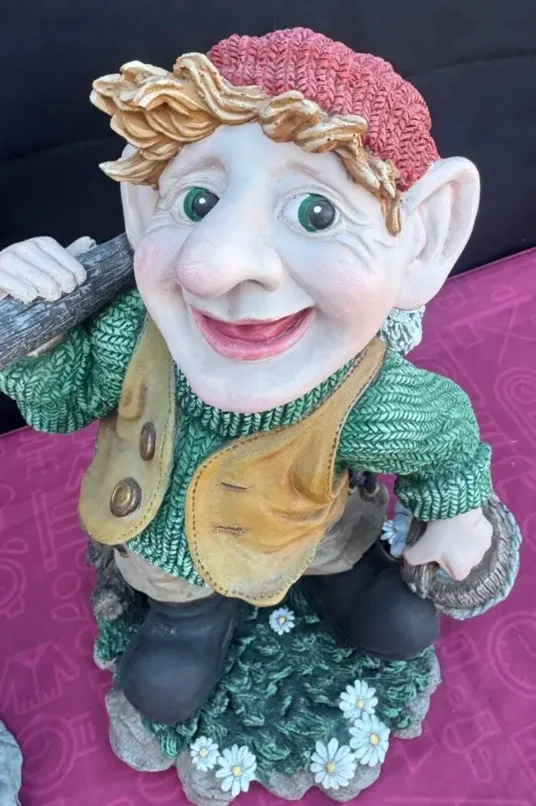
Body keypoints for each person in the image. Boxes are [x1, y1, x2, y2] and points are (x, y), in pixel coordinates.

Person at [0, 29, 497, 727]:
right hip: (168, 548)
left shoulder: (368, 400)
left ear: (422, 244)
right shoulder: (131, 339)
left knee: (394, 622)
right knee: (163, 683)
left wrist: (456, 511)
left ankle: (343, 577)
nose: (210, 266)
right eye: (196, 204)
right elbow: (62, 403)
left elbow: (442, 437)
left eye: (317, 212)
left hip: (313, 531)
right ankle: (188, 616)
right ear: (144, 210)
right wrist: (42, 340)